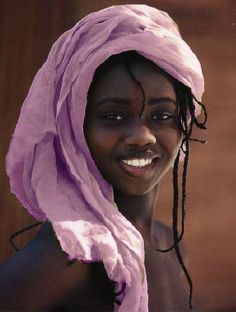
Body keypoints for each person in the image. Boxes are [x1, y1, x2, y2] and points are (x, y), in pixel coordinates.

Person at [0, 4, 207, 311]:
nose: (143, 136)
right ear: (73, 129)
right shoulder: (69, 259)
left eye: (162, 115)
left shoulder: (169, 245)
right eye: (113, 116)